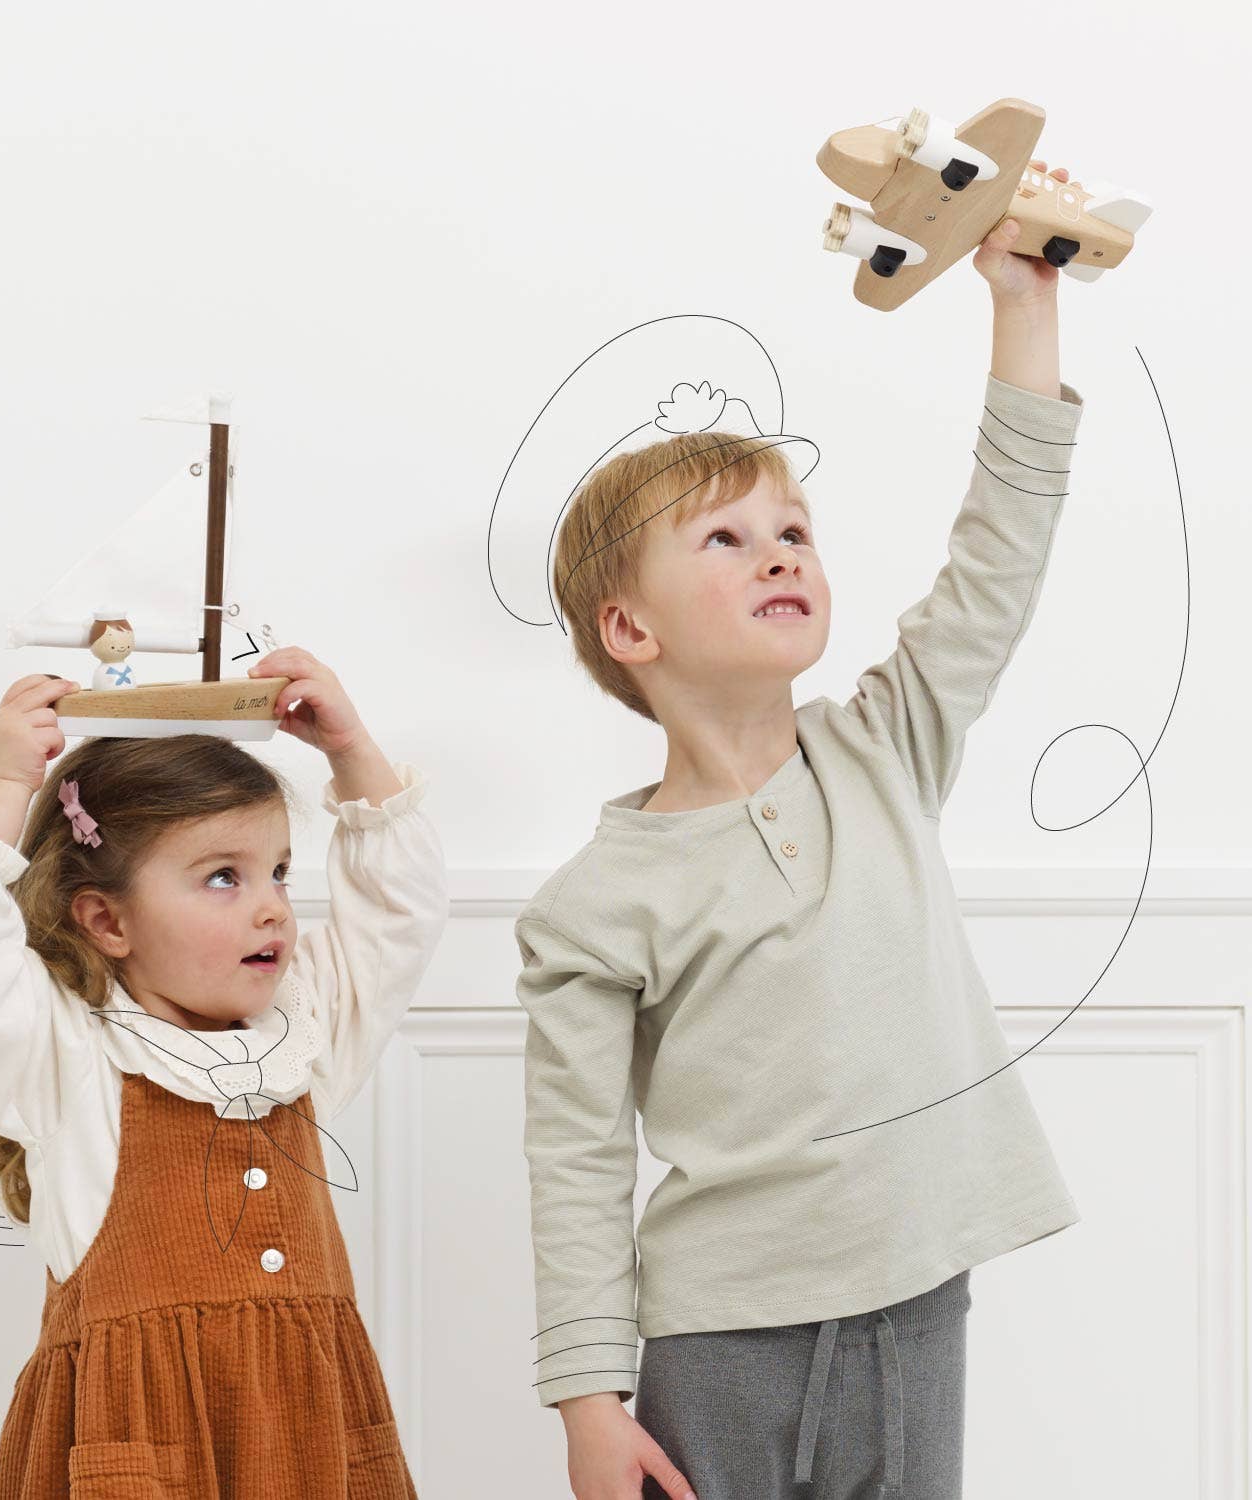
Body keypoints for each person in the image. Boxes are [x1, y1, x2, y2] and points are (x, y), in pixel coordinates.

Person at [516, 170, 1086, 1500]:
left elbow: (1001, 553)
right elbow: (578, 1167)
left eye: (793, 531)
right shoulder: (593, 905)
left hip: (919, 1311)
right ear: (631, 630)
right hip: (722, 1345)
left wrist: (1021, 305)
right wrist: (588, 1406)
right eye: (726, 538)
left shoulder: (885, 748)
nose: (780, 553)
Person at [0, 646, 447, 1499]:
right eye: (222, 877)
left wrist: (351, 751)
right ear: (107, 920)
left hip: (311, 1451)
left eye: (278, 872)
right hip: (140, 1464)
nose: (271, 905)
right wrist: (8, 786)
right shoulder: (67, 1059)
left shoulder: (302, 1033)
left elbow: (397, 915)